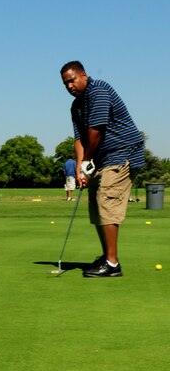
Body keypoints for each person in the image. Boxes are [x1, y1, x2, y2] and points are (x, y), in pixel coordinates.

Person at [60, 61, 144, 277]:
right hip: (100, 158)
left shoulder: (98, 91)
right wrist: (80, 169)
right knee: (96, 207)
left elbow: (96, 131)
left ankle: (112, 264)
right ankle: (107, 255)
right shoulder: (76, 106)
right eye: (65, 83)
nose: (69, 86)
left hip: (122, 152)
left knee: (106, 200)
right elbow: (79, 139)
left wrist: (87, 160)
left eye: (72, 80)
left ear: (84, 76)